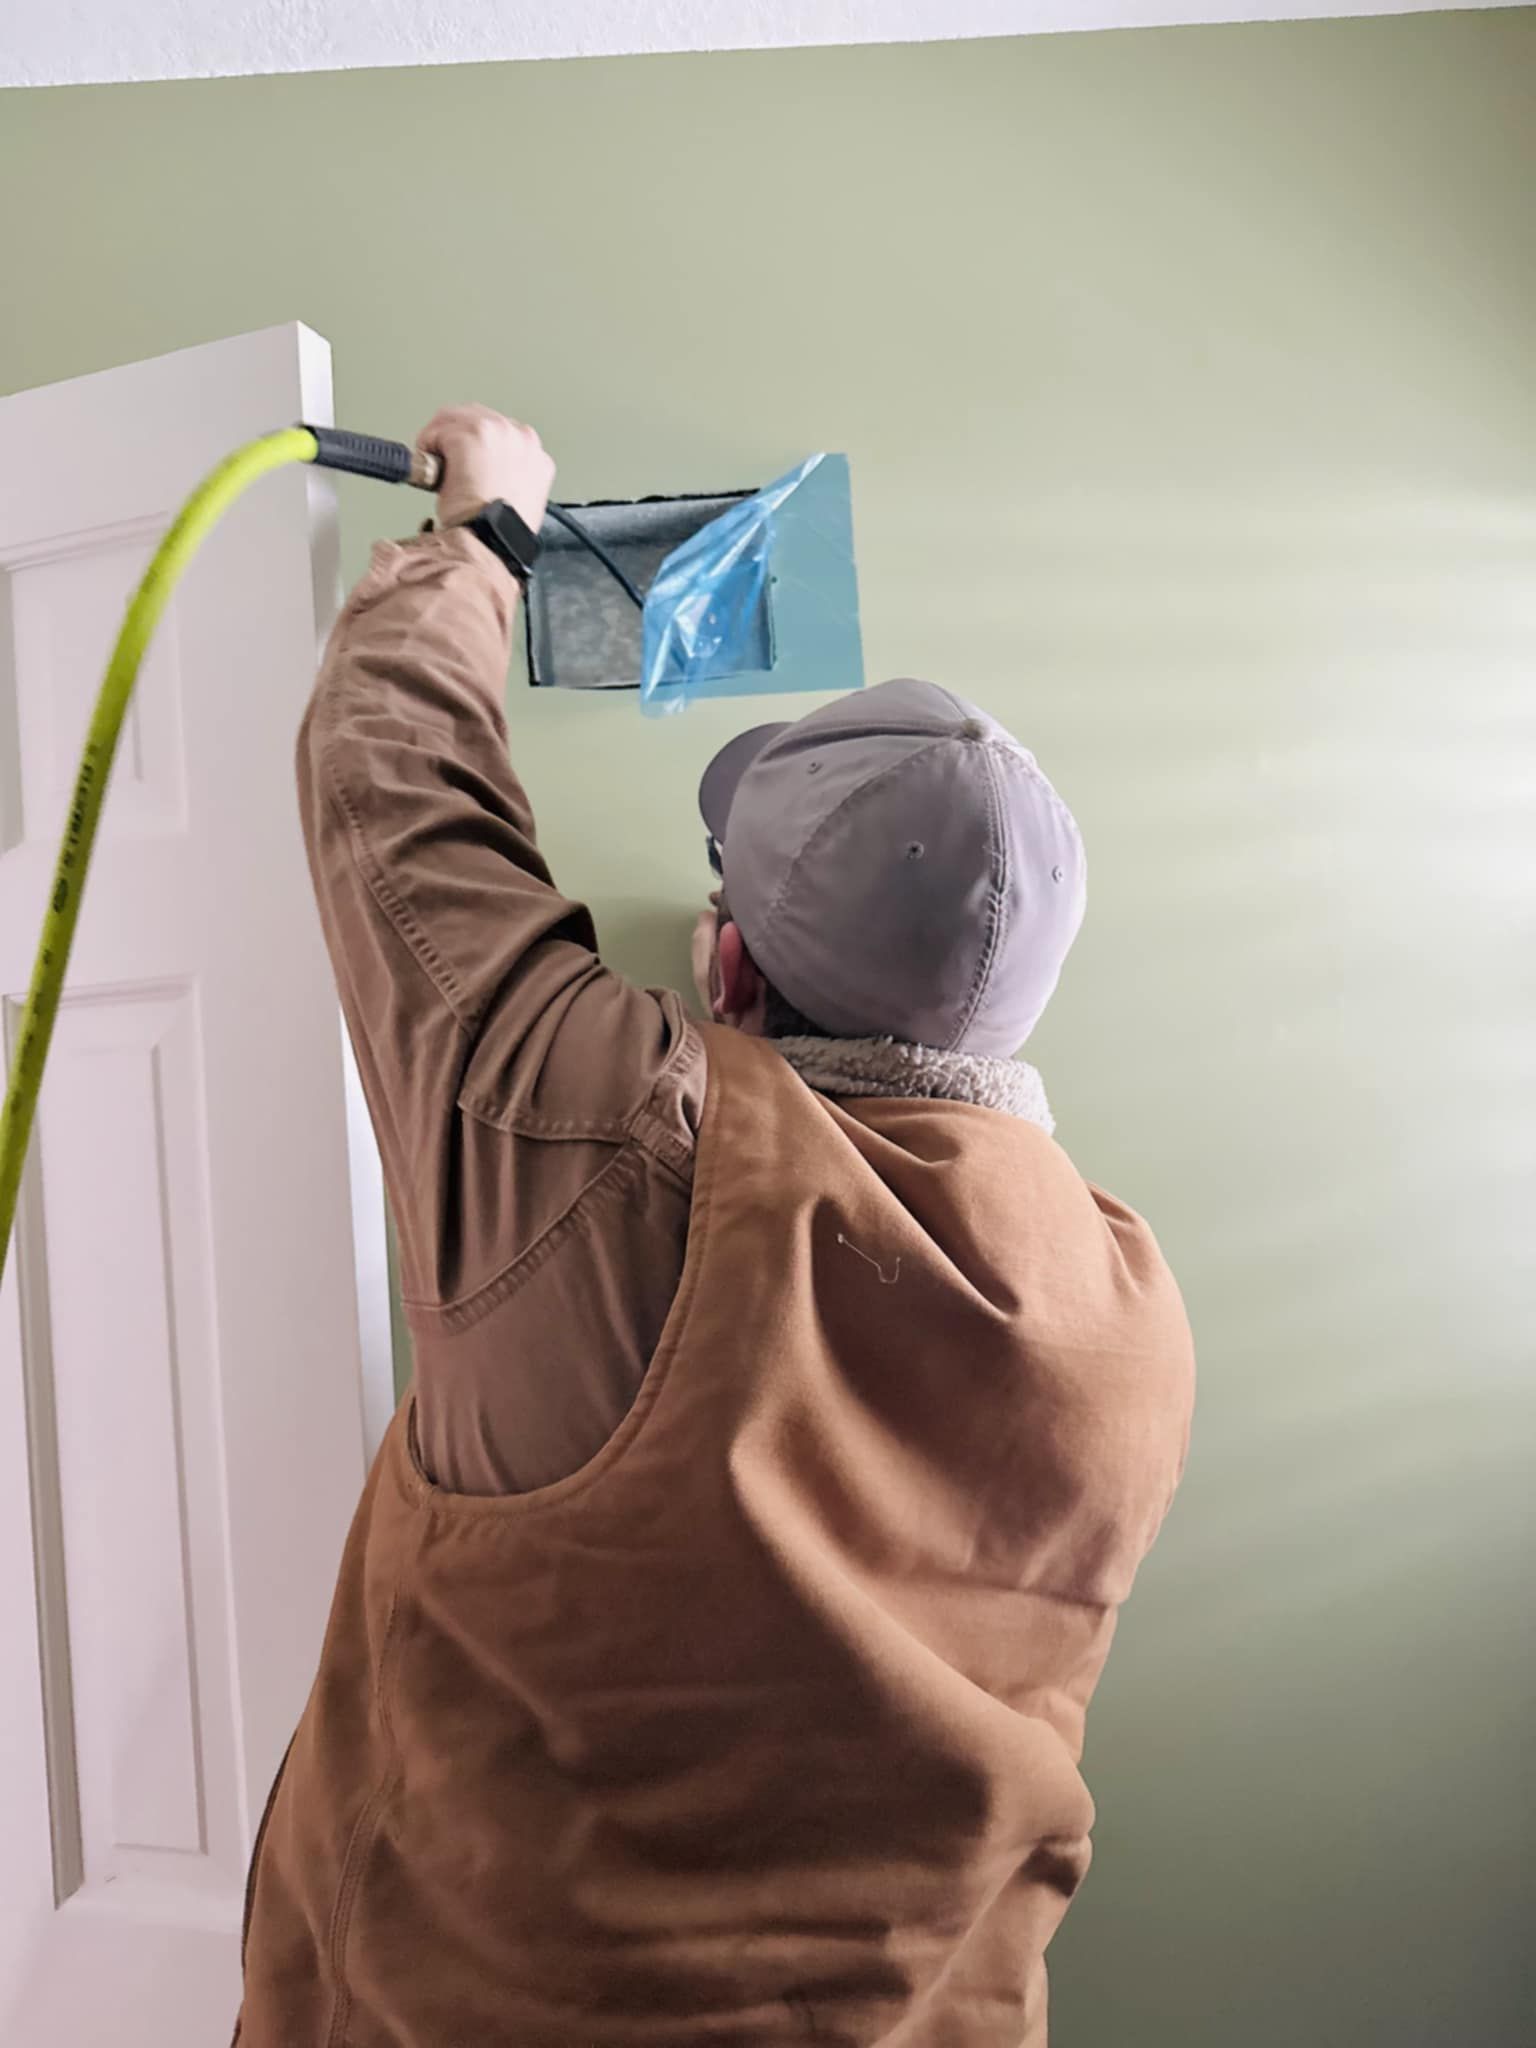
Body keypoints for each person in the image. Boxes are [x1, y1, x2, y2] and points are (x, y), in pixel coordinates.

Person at [235, 406, 1195, 2047]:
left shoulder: (605, 1142)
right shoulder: (1133, 1310)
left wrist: (485, 532)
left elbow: (390, 787)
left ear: (728, 962)